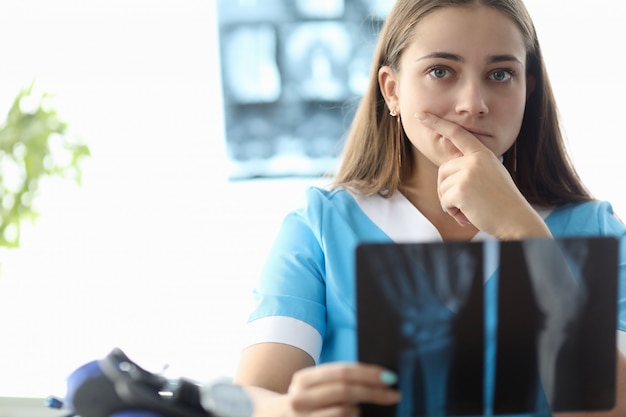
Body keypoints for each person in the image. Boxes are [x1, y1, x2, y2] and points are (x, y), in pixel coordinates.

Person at [233, 1, 626, 416]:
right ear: (392, 90)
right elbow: (254, 396)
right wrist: (291, 412)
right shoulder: (320, 228)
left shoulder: (597, 232)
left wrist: (522, 232)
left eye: (500, 74)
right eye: (441, 71)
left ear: (528, 87)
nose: (473, 103)